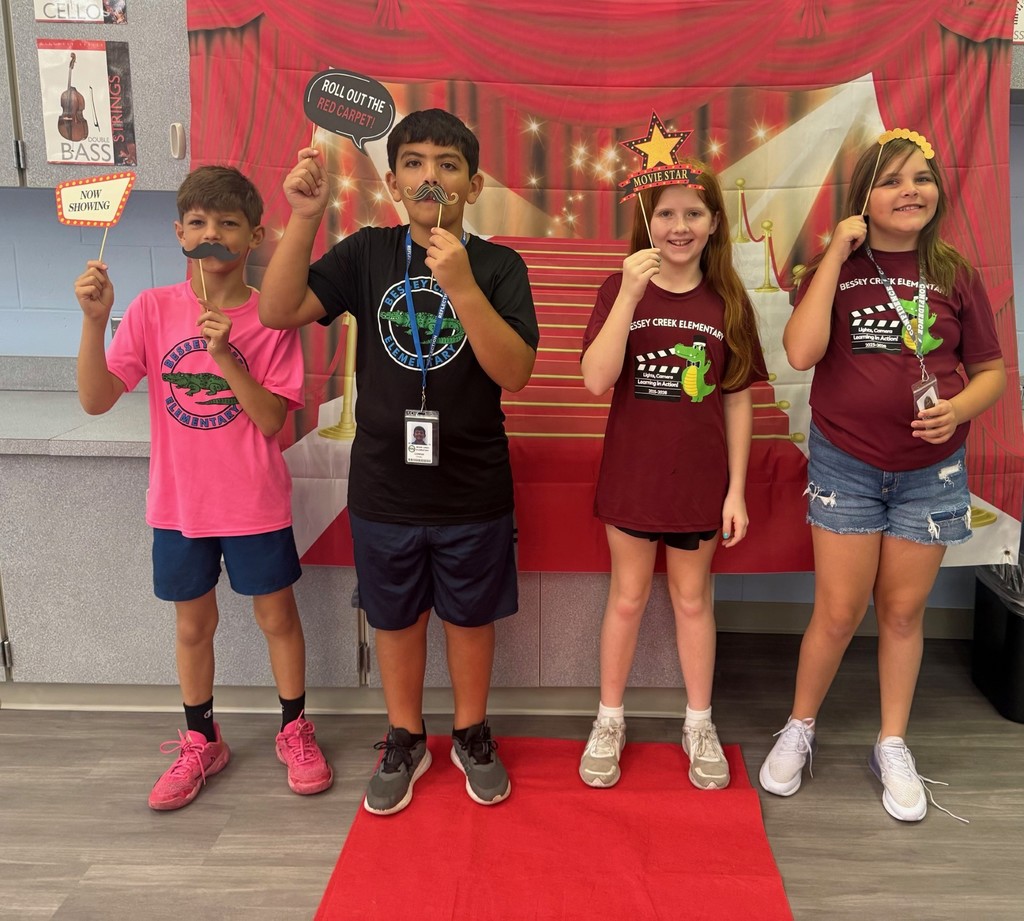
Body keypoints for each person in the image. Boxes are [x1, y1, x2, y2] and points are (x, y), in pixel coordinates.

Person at [259, 109, 539, 815]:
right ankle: (405, 736)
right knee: (395, 618)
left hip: (473, 484)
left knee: (472, 619)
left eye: (448, 164)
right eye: (414, 162)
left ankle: (472, 732)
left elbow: (515, 373)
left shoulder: (501, 266)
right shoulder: (366, 253)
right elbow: (277, 308)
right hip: (385, 483)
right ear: (391, 182)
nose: (429, 176)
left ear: (473, 185)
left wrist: (463, 284)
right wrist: (304, 217)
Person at [759, 133, 1005, 822]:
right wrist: (837, 250)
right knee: (839, 612)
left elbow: (991, 373)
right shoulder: (834, 265)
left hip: (932, 473)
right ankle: (800, 726)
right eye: (892, 180)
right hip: (848, 464)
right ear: (862, 197)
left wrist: (956, 408)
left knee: (901, 612)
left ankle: (891, 740)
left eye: (922, 178)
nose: (911, 191)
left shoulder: (954, 272)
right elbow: (802, 351)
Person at [75, 165, 333, 811]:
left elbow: (274, 420)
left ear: (254, 236)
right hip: (179, 505)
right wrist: (93, 321)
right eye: (198, 221)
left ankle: (295, 727)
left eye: (226, 223)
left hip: (253, 500)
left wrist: (224, 357)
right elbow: (96, 398)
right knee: (194, 625)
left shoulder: (273, 316)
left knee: (277, 616)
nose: (211, 233)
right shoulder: (153, 310)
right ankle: (201, 738)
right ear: (179, 231)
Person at [578, 165, 766, 790]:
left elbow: (737, 398)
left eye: (693, 213)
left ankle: (699, 722)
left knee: (692, 600)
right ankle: (609, 720)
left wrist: (736, 489)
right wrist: (630, 297)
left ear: (714, 223)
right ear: (647, 222)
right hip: (633, 478)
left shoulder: (729, 299)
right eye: (666, 213)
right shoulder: (618, 288)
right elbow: (596, 379)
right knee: (627, 598)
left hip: (701, 485)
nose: (679, 226)